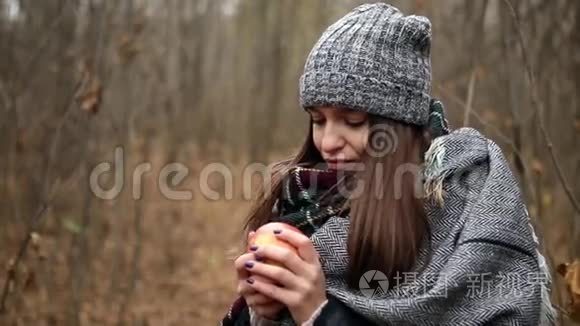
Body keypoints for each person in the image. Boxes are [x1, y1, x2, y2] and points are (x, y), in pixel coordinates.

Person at [220, 3, 556, 325]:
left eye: (352, 120)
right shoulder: (299, 200)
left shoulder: (464, 204)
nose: (327, 142)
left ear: (397, 126)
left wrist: (320, 313)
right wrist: (261, 313)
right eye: (318, 119)